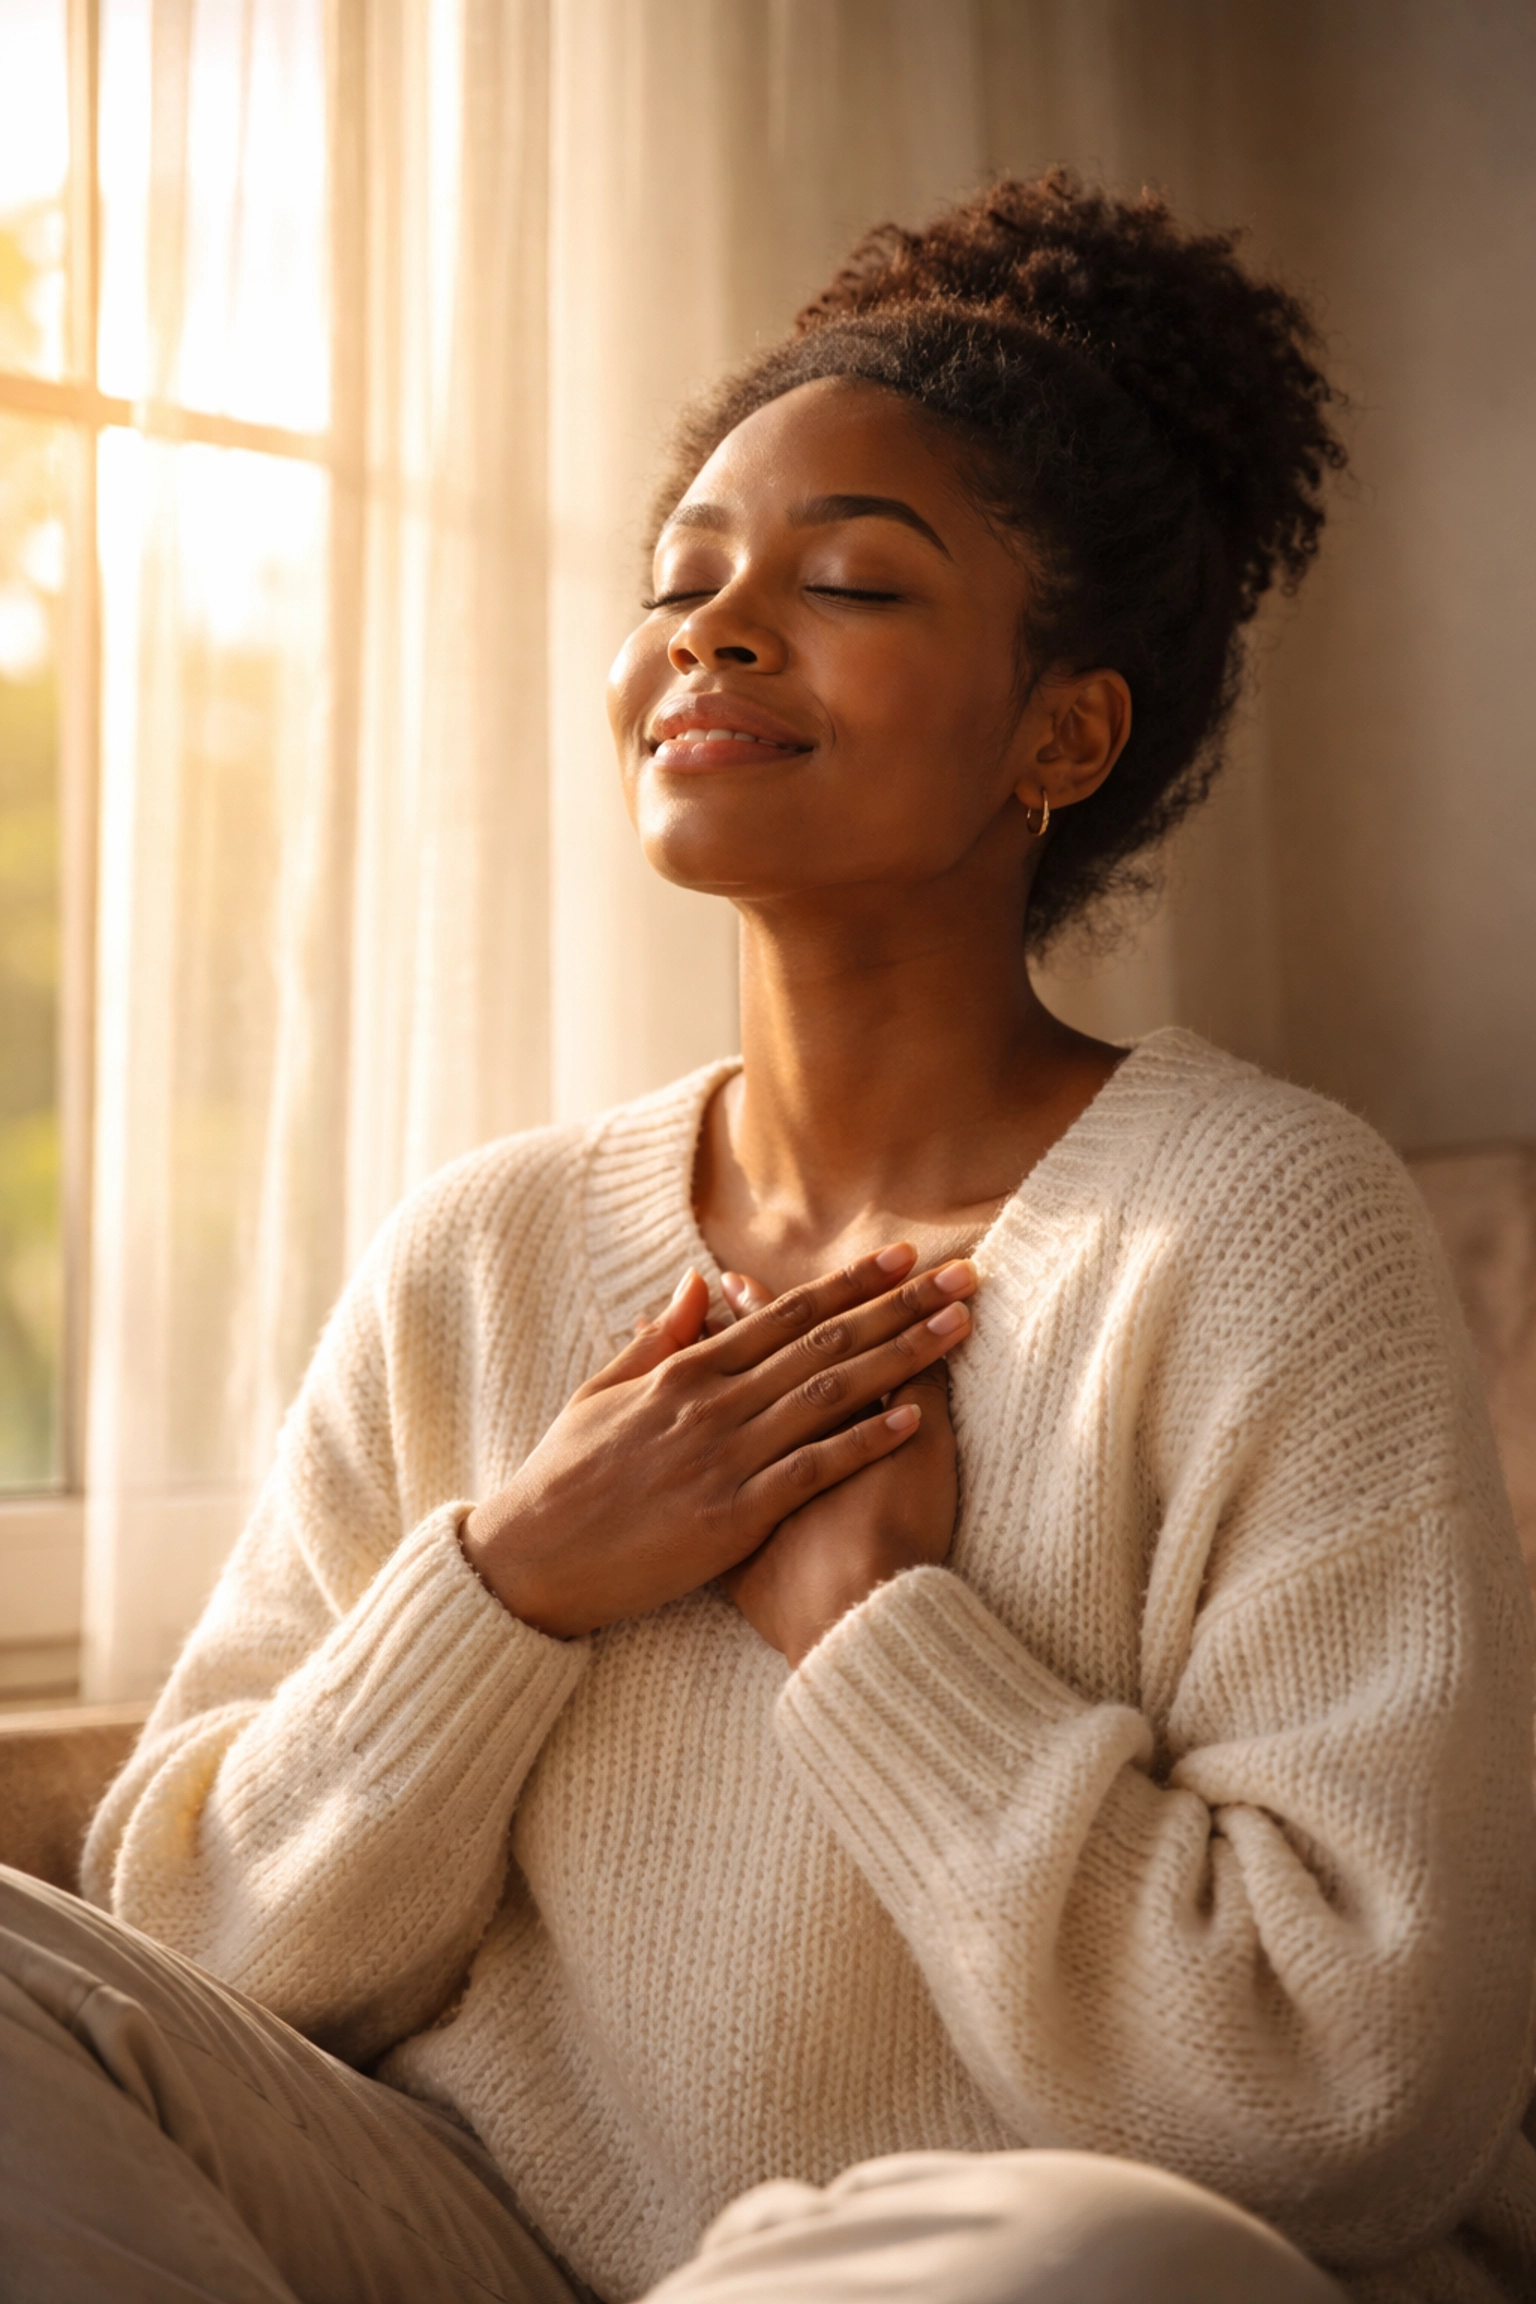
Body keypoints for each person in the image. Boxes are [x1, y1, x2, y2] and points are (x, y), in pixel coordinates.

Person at [3, 173, 1533, 2304]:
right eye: (683, 581)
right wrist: (511, 1580)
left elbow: (1349, 2100)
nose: (713, 630)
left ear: (1062, 730)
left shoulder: (1259, 1233)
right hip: (476, 2245)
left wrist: (881, 1631)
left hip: (1003, 2260)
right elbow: (186, 1953)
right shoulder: (486, 1248)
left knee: (1082, 2261)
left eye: (847, 584)